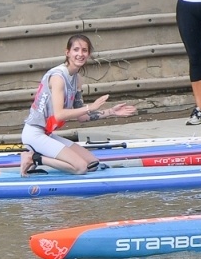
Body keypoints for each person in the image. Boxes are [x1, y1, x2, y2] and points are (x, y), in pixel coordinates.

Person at [16, 34, 138, 175]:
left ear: (88, 54)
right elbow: (60, 114)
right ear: (67, 53)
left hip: (46, 135)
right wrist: (90, 107)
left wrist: (111, 112)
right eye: (76, 50)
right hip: (34, 135)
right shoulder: (58, 78)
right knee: (81, 168)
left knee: (92, 164)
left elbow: (82, 117)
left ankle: (38, 156)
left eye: (84, 50)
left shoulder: (77, 79)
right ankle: (33, 158)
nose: (80, 54)